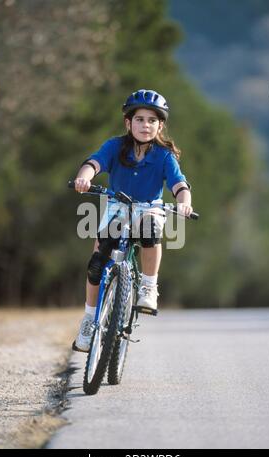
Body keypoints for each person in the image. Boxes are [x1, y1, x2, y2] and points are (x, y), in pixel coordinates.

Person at [72, 89, 193, 352]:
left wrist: (184, 202)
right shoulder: (115, 146)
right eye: (139, 119)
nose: (145, 125)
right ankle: (89, 320)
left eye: (152, 120)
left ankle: (148, 287)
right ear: (128, 123)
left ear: (160, 125)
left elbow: (179, 184)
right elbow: (94, 162)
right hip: (117, 206)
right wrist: (85, 177)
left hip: (149, 208)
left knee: (150, 230)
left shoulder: (164, 156)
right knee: (97, 263)